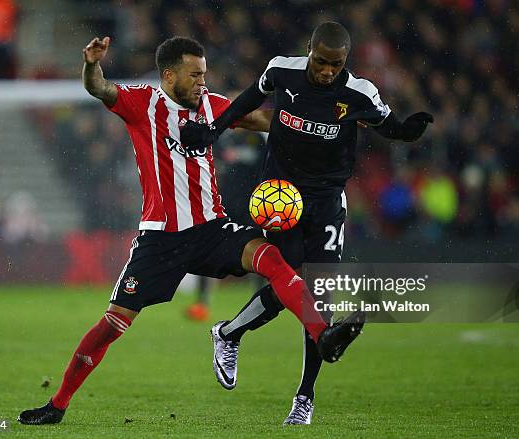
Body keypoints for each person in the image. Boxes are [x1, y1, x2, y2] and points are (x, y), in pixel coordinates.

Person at [17, 35, 364, 425]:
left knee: (274, 260)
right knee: (113, 324)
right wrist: (91, 65)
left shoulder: (211, 107)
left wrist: (331, 118)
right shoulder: (142, 103)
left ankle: (324, 335)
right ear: (169, 75)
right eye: (195, 75)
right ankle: (57, 405)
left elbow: (265, 120)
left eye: (205, 74)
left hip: (212, 229)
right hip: (161, 237)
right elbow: (98, 87)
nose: (203, 82)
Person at [181, 21, 433, 425]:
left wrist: (406, 132)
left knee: (317, 296)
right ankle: (229, 335)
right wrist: (214, 130)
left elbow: (389, 126)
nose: (327, 71)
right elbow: (248, 100)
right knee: (289, 283)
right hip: (280, 195)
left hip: (329, 201)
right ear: (309, 49)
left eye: (336, 64)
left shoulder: (359, 92)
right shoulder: (282, 70)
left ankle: (301, 395)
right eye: (321, 62)